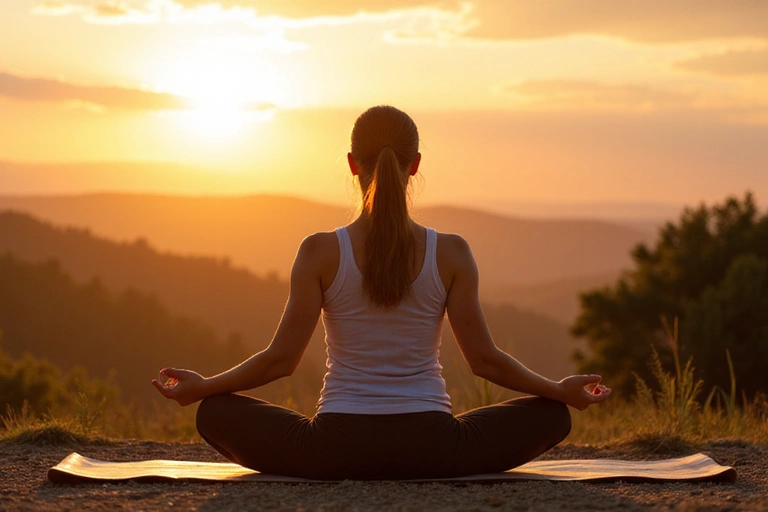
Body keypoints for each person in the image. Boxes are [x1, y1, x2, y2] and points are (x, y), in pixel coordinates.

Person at [152, 105, 611, 480]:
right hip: (435, 450)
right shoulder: (450, 253)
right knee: (554, 416)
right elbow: (485, 361)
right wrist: (558, 391)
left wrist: (205, 388)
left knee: (214, 413)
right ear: (415, 166)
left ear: (353, 163)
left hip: (332, 451)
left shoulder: (319, 251)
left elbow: (280, 361)